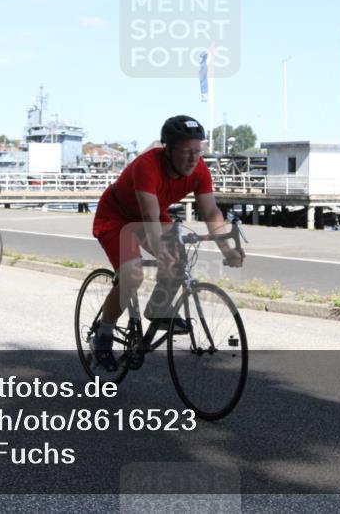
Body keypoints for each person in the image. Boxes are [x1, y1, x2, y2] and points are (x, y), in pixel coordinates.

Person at [89, 115, 244, 370]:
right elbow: (149, 216)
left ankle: (158, 309)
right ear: (168, 149)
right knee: (132, 274)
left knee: (178, 258)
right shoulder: (147, 166)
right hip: (117, 216)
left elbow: (210, 212)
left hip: (150, 214)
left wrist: (227, 249)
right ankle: (103, 336)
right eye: (186, 152)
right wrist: (160, 251)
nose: (193, 158)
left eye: (198, 151)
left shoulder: (199, 170)